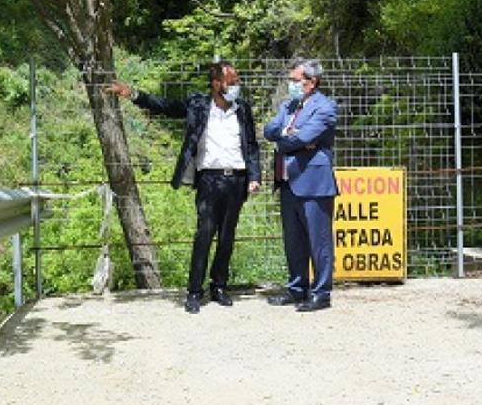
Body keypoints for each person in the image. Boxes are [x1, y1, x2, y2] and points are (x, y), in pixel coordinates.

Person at [106, 62, 262, 314]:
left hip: (237, 181)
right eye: (232, 82)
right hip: (209, 181)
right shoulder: (199, 105)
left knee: (227, 237)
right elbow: (165, 106)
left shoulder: (242, 110)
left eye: (238, 82)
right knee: (204, 234)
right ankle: (194, 291)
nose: (236, 86)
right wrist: (132, 94)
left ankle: (219, 286)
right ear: (216, 84)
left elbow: (252, 145)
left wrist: (254, 176)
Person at [263, 59, 339, 312]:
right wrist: (291, 135)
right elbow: (269, 129)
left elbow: (306, 136)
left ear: (311, 82)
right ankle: (297, 289)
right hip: (287, 182)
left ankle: (321, 293)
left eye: (295, 81)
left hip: (314, 184)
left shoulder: (325, 107)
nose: (291, 85)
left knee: (319, 241)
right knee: (293, 241)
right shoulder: (289, 105)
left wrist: (287, 139)